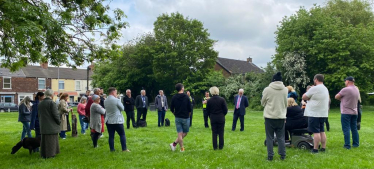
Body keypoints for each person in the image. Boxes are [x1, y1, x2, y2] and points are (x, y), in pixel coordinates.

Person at [261, 72, 288, 161]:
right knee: (281, 137)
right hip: (281, 116)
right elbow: (285, 103)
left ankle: (270, 156)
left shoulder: (267, 89)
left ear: (273, 80)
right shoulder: (285, 90)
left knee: (269, 137)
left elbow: (262, 103)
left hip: (269, 117)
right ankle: (283, 155)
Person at [302, 74, 329, 153]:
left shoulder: (315, 88)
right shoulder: (325, 88)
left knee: (316, 132)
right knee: (322, 131)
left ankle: (315, 149)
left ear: (316, 79)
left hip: (314, 113)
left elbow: (304, 97)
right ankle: (323, 147)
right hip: (323, 112)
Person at [335, 76, 360, 149]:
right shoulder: (356, 89)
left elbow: (336, 96)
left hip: (346, 112)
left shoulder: (345, 89)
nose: (345, 82)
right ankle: (356, 143)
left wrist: (342, 99)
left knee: (346, 129)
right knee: (354, 128)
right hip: (355, 111)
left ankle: (347, 145)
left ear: (348, 81)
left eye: (345, 81)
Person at [104, 87, 130, 152]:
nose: (116, 94)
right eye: (116, 92)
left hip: (108, 120)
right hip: (117, 120)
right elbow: (122, 108)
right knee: (122, 134)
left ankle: (112, 149)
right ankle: (124, 149)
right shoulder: (116, 100)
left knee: (111, 136)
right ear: (113, 92)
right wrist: (119, 99)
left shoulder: (105, 100)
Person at [38, 89, 60, 159]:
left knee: (44, 141)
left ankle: (44, 154)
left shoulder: (41, 103)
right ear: (51, 95)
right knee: (51, 141)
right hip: (51, 125)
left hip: (43, 125)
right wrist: (59, 121)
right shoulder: (51, 103)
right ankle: (51, 154)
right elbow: (55, 114)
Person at [169, 83, 192, 152]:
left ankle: (174, 144)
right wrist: (189, 115)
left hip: (178, 117)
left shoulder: (174, 97)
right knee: (184, 133)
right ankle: (182, 148)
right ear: (182, 88)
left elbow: (171, 108)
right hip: (185, 117)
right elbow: (190, 108)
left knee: (180, 133)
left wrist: (175, 114)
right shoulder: (186, 97)